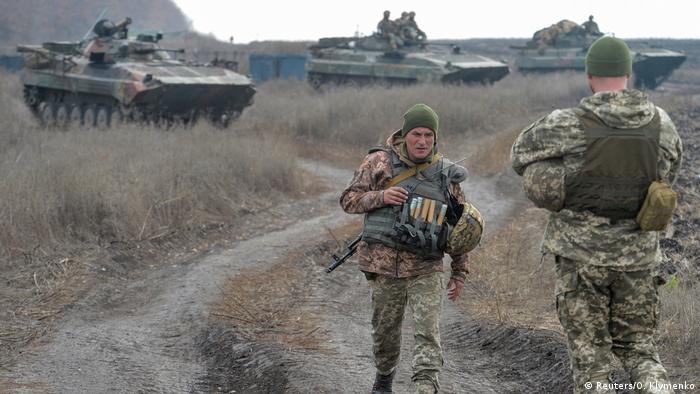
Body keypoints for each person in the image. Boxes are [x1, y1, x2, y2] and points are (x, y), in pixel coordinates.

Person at [511, 36, 682, 394]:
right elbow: (669, 175)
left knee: (591, 361)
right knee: (640, 350)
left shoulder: (568, 123)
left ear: (590, 75)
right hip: (638, 258)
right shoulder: (662, 125)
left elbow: (520, 155)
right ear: (629, 73)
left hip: (580, 259)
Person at [340, 104, 470, 394]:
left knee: (427, 333)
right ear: (404, 135)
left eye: (428, 135)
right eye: (416, 134)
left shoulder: (446, 174)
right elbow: (348, 200)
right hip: (383, 266)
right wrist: (382, 196)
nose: (422, 141)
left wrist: (459, 272)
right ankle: (384, 378)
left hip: (426, 267)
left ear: (435, 138)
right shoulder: (378, 163)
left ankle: (425, 386)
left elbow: (460, 227)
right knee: (385, 334)